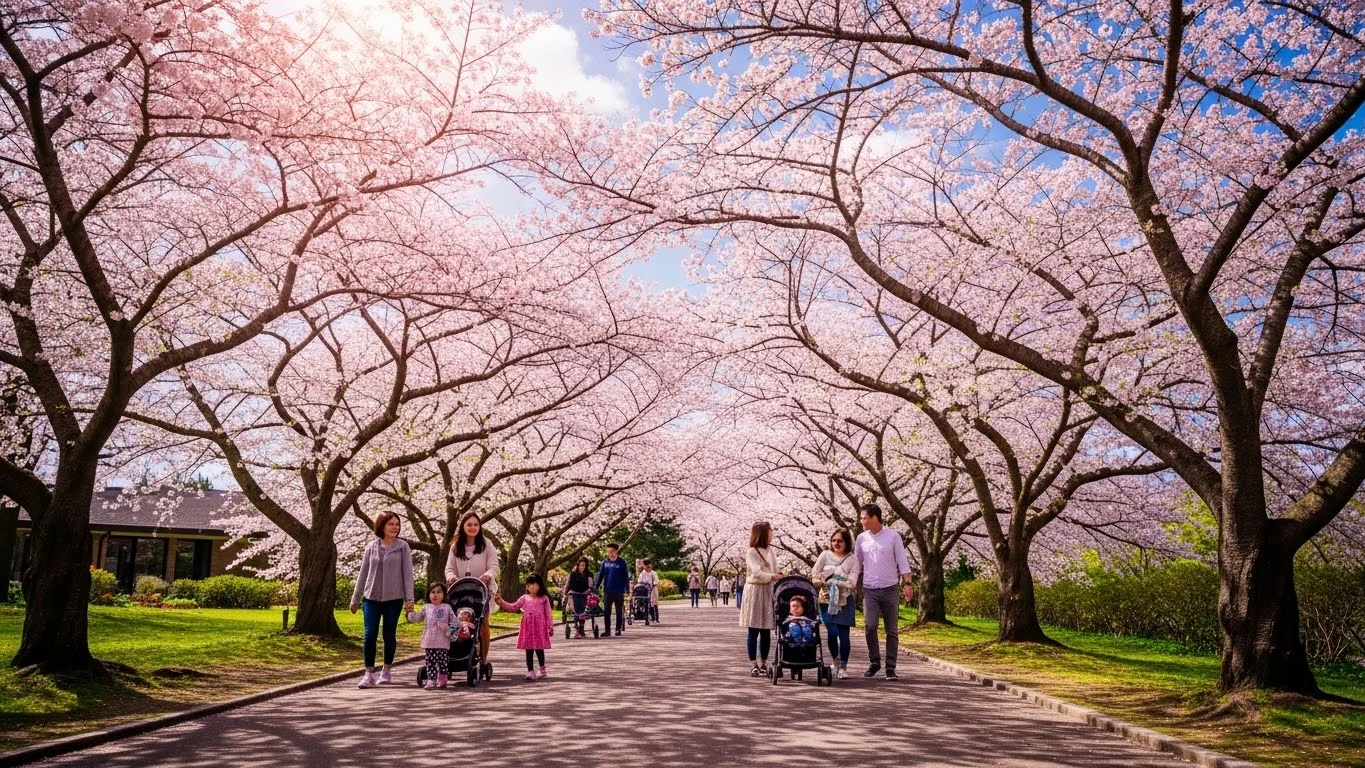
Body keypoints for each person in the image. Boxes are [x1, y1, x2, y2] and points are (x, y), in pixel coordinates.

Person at [350, 511, 415, 689]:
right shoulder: (371, 546)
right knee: (369, 634)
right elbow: (363, 573)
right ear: (382, 526)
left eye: (397, 524)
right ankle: (369, 673)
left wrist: (409, 599)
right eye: (391, 524)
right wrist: (355, 598)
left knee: (388, 635)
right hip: (371, 598)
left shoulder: (403, 547)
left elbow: (408, 574)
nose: (395, 527)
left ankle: (386, 669)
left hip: (393, 599)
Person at [854, 503, 913, 681]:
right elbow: (857, 563)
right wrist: (853, 585)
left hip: (890, 589)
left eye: (864, 518)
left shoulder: (892, 536)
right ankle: (874, 662)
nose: (861, 521)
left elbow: (902, 561)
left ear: (874, 518)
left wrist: (908, 583)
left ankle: (890, 667)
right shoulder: (861, 538)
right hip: (870, 589)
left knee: (891, 630)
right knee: (870, 626)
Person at [444, 512, 500, 664]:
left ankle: (483, 658)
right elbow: (449, 568)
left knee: (483, 623)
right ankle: (456, 655)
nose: (473, 527)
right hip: (461, 590)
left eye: (476, 525)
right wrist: (450, 576)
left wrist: (488, 574)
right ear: (463, 526)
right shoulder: (456, 546)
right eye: (469, 525)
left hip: (481, 590)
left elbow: (494, 565)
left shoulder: (486, 544)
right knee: (457, 622)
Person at [811, 527, 862, 679]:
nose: (836, 543)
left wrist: (832, 580)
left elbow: (852, 582)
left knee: (844, 634)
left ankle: (843, 667)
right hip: (826, 600)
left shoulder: (853, 559)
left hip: (845, 600)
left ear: (846, 542)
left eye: (840, 541)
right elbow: (814, 575)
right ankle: (835, 662)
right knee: (832, 633)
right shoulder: (824, 555)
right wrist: (819, 582)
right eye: (833, 540)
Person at [739, 521, 781, 676]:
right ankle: (753, 664)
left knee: (766, 629)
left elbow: (773, 569)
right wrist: (772, 576)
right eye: (770, 531)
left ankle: (763, 662)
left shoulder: (770, 551)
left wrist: (775, 577)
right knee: (754, 628)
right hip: (755, 591)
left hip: (768, 590)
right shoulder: (752, 551)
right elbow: (756, 572)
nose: (772, 533)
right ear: (763, 533)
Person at [495, 572, 555, 680]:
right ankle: (530, 671)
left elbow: (548, 613)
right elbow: (513, 607)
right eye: (530, 584)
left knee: (539, 648)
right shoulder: (524, 598)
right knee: (529, 649)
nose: (532, 586)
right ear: (527, 586)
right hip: (527, 627)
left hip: (539, 627)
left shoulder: (544, 598)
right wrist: (501, 602)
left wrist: (550, 626)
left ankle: (542, 669)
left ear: (540, 585)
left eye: (535, 584)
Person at [407, 582, 456, 689]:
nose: (435, 595)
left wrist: (449, 630)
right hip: (429, 640)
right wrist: (410, 612)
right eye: (433, 592)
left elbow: (455, 622)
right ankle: (431, 680)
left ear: (444, 595)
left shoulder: (447, 607)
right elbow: (415, 618)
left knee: (442, 661)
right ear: (429, 595)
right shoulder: (426, 607)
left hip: (442, 640)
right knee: (430, 661)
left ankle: (442, 679)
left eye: (439, 592)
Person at [594, 543, 631, 637]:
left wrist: (627, 589)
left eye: (611, 551)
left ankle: (618, 629)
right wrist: (595, 587)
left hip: (619, 591)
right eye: (608, 551)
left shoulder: (622, 562)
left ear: (616, 551)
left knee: (619, 611)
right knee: (607, 611)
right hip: (608, 590)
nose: (610, 553)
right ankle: (607, 630)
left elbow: (626, 577)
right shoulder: (605, 562)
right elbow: (600, 576)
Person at [565, 557, 593, 638]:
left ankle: (581, 627)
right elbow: (569, 584)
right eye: (580, 565)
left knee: (582, 611)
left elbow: (590, 584)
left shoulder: (589, 574)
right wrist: (567, 592)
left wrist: (589, 590)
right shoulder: (573, 573)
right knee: (576, 611)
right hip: (574, 593)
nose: (582, 567)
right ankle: (577, 628)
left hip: (584, 593)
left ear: (586, 566)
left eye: (583, 565)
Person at [636, 558, 661, 623]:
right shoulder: (642, 573)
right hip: (645, 590)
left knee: (654, 603)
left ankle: (656, 618)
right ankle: (649, 617)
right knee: (647, 603)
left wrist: (652, 585)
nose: (647, 568)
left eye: (649, 567)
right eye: (646, 567)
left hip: (653, 589)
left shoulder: (653, 573)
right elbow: (639, 581)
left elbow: (656, 581)